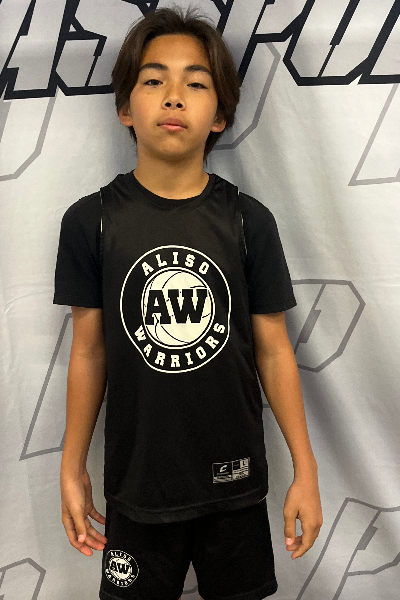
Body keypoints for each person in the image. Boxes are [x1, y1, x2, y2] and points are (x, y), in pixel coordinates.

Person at [53, 4, 323, 599]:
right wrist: (71, 466)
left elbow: (274, 351)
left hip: (235, 485)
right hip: (137, 489)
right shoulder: (91, 222)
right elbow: (89, 352)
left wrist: (305, 469)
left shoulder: (249, 221)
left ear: (219, 114)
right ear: (126, 107)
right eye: (154, 80)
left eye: (196, 84)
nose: (174, 96)